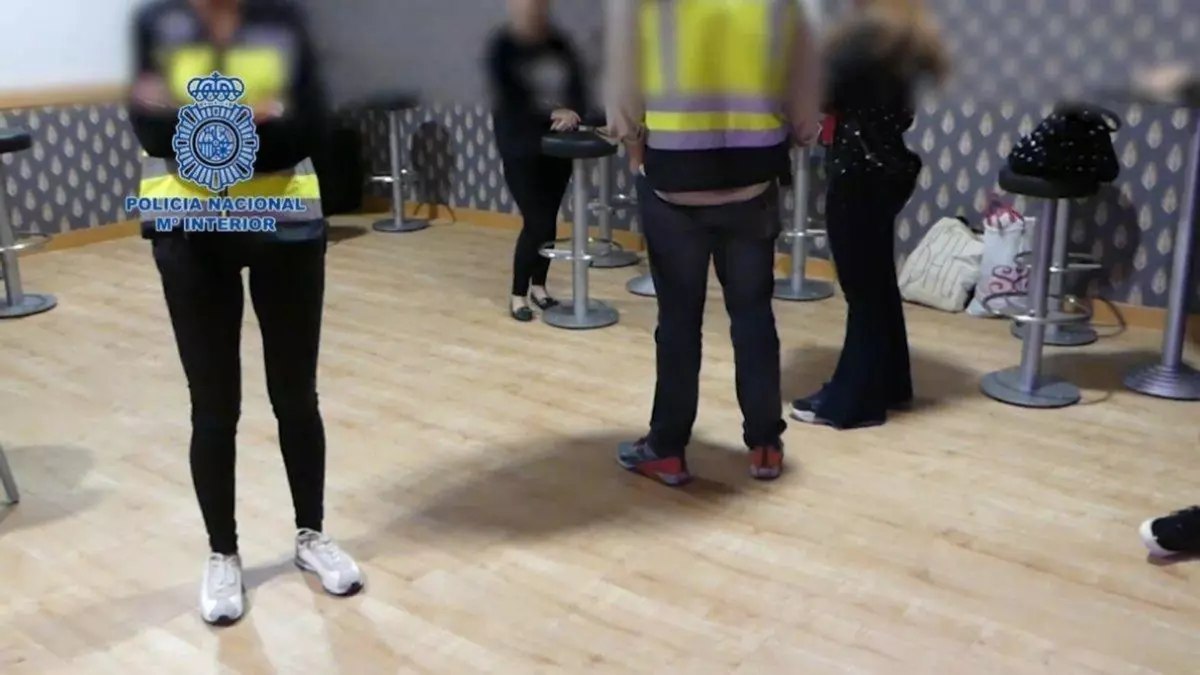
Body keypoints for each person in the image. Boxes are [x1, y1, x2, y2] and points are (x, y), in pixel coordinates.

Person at [128, 0, 362, 626]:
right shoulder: (157, 26)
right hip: (189, 229)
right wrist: (253, 111)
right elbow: (152, 132)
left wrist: (196, 112)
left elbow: (308, 128)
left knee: (296, 394)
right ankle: (222, 552)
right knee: (212, 405)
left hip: (286, 223)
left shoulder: (285, 24)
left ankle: (311, 534)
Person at [606, 0, 822, 485]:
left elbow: (623, 73)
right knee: (753, 317)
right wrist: (799, 131)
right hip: (754, 178)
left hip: (673, 179)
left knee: (678, 322)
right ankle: (765, 445)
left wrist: (633, 144)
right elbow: (804, 74)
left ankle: (667, 449)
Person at [789, 0, 948, 430]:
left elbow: (819, 92)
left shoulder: (866, 41)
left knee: (863, 293)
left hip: (857, 175)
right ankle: (891, 382)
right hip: (885, 170)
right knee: (877, 284)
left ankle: (855, 400)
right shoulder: (907, 37)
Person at [484, 0, 589, 322]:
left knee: (549, 220)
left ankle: (539, 288)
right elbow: (510, 98)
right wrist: (551, 112)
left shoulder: (559, 43)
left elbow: (578, 85)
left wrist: (572, 111)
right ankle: (518, 295)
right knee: (536, 221)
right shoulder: (502, 48)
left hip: (557, 146)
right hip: (521, 146)